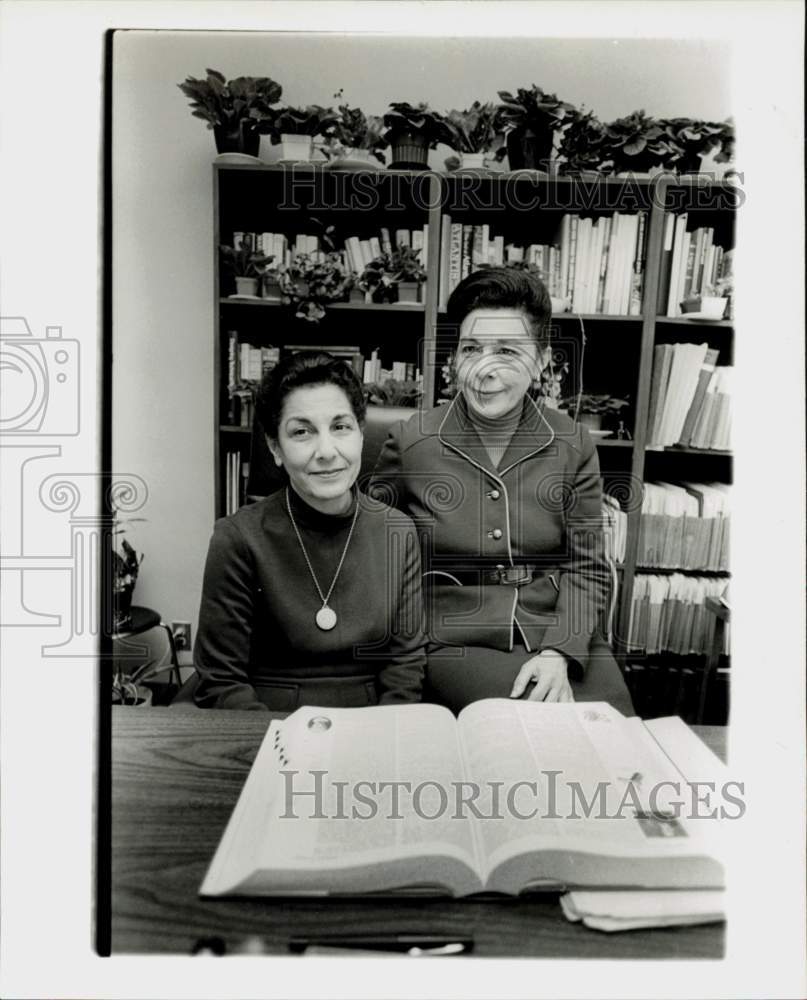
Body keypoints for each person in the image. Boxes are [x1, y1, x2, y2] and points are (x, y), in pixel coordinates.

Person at [371, 267, 633, 715]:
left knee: (619, 734)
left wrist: (559, 652)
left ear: (542, 360)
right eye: (471, 349)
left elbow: (588, 566)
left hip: (557, 632)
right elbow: (370, 548)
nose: (484, 369)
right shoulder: (411, 440)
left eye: (508, 351)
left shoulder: (573, 443)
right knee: (527, 731)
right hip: (454, 635)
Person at [193, 351, 426, 711]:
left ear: (362, 435)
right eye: (302, 432)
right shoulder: (237, 538)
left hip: (371, 724)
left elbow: (405, 668)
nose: (326, 451)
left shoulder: (398, 530)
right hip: (269, 725)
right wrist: (277, 747)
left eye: (340, 427)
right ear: (275, 448)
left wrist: (385, 737)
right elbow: (222, 681)